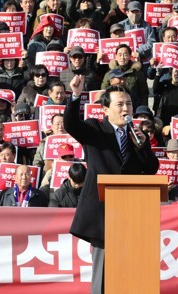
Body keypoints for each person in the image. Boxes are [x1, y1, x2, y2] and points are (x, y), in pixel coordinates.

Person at [64, 75, 159, 294]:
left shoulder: (137, 135)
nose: (125, 108)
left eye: (128, 104)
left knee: (134, 275)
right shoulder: (95, 129)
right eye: (119, 104)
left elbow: (151, 169)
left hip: (133, 213)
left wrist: (143, 147)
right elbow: (70, 124)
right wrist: (76, 95)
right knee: (104, 275)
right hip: (103, 213)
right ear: (106, 110)